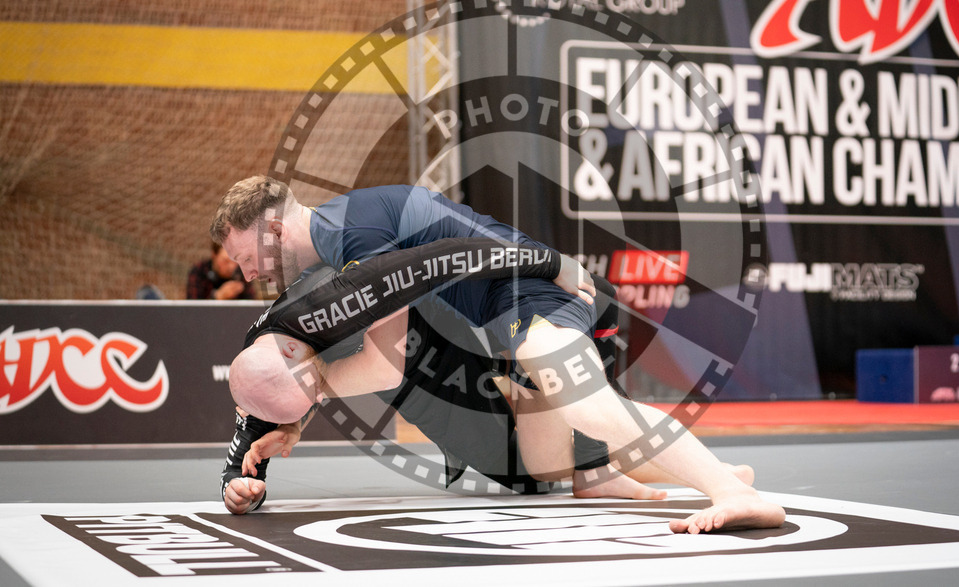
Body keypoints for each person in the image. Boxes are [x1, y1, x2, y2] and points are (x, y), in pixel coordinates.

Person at [211, 177, 785, 534]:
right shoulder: (343, 239)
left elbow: (386, 364)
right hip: (505, 310)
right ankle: (684, 471)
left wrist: (313, 387)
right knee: (549, 464)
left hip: (529, 293)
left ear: (274, 230)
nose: (247, 274)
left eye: (244, 258)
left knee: (587, 407)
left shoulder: (357, 236)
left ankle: (734, 493)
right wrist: (297, 420)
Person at [186, 241, 255, 300]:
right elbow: (193, 309)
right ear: (214, 255)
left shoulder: (242, 273)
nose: (231, 267)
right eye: (225, 261)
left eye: (235, 261)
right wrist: (218, 297)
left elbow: (251, 307)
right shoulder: (199, 271)